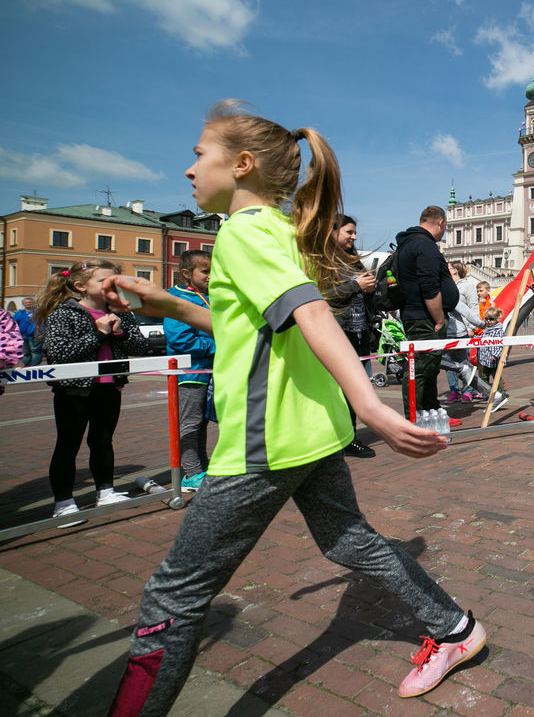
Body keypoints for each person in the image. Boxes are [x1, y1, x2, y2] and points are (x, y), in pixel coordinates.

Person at [103, 102, 485, 714]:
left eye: (200, 154)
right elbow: (248, 325)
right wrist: (168, 304)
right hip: (310, 429)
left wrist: (373, 406)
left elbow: (308, 314)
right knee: (350, 542)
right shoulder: (280, 231)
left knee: (171, 599)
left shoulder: (243, 232)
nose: (188, 169)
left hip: (264, 443)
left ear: (243, 164)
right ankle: (457, 630)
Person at [35, 260, 150, 525]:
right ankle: (63, 502)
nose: (111, 285)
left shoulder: (122, 310)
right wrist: (98, 334)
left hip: (110, 387)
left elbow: (141, 347)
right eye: (104, 281)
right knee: (68, 444)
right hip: (74, 391)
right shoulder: (64, 312)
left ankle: (105, 491)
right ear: (80, 286)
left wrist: (119, 334)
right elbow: (59, 354)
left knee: (102, 441)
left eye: (114, 281)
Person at [164, 249, 219, 490]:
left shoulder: (209, 296)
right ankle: (191, 473)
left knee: (202, 422)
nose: (210, 276)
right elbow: (180, 339)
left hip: (208, 370)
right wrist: (217, 345)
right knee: (189, 423)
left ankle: (201, 466)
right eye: (205, 271)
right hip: (190, 373)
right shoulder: (178, 299)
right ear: (186, 273)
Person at [396, 206, 457, 418]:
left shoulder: (409, 243)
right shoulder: (425, 245)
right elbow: (429, 286)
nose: (444, 232)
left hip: (419, 316)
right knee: (421, 369)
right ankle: (416, 416)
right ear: (440, 222)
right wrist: (439, 318)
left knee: (429, 368)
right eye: (445, 226)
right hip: (426, 319)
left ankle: (430, 412)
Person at [325, 214, 377, 458]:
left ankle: (349, 436)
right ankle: (337, 437)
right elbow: (322, 294)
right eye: (349, 232)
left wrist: (370, 286)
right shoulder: (323, 261)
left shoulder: (353, 260)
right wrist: (356, 285)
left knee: (353, 385)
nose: (354, 237)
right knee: (336, 387)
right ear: (333, 232)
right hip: (336, 330)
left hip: (358, 330)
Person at [445, 261, 507, 410]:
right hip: (447, 330)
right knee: (449, 364)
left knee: (464, 363)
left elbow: (470, 308)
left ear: (454, 270)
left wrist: (472, 327)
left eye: (448, 267)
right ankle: (454, 390)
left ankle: (468, 390)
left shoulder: (466, 286)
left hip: (461, 331)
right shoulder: (447, 285)